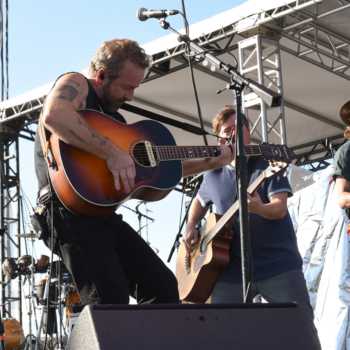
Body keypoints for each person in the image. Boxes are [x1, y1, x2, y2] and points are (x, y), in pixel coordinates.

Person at [34, 38, 234, 306]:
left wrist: (211, 163)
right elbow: (55, 114)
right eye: (126, 87)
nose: (130, 96)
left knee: (162, 287)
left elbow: (162, 169)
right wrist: (113, 153)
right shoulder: (78, 83)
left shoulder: (115, 123)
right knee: (110, 302)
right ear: (102, 75)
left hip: (103, 214)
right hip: (67, 212)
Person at [183, 105, 321, 349]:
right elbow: (199, 202)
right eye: (228, 130)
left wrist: (258, 208)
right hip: (229, 271)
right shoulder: (212, 171)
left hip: (278, 266)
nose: (234, 134)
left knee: (301, 334)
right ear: (220, 139)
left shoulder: (267, 162)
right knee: (220, 337)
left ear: (248, 133)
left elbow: (279, 209)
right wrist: (192, 225)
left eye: (240, 128)